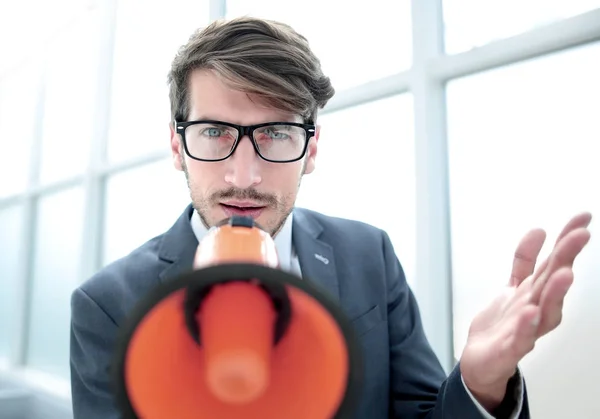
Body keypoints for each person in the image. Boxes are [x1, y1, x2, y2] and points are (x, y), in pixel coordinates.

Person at [69, 16, 593, 419]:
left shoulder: (368, 255)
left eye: (275, 133)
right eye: (214, 133)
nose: (244, 175)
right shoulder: (107, 306)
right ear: (177, 145)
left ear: (311, 148)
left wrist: (480, 384)